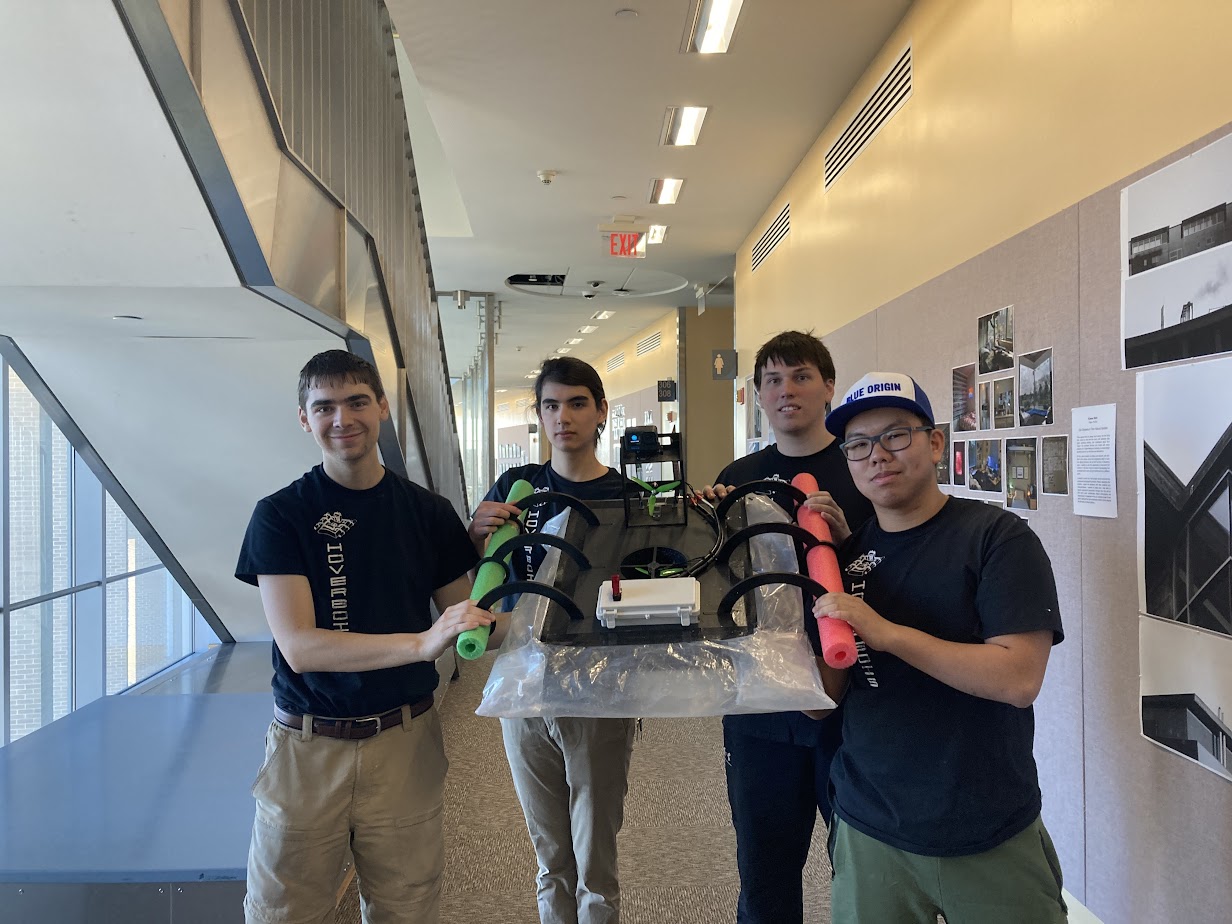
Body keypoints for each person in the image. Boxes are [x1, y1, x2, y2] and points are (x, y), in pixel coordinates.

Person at [235, 350, 498, 924]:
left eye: (357, 401)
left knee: (407, 910)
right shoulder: (279, 515)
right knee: (283, 913)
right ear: (304, 419)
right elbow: (301, 649)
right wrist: (421, 643)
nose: (342, 418)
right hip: (307, 749)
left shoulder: (429, 513)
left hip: (404, 742)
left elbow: (469, 622)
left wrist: (492, 559)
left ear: (382, 405)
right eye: (323, 406)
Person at [816, 371, 1067, 924]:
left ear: (934, 443)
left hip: (985, 823)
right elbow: (823, 699)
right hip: (870, 824)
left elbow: (1017, 679)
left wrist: (887, 633)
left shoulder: (998, 538)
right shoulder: (849, 558)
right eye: (858, 446)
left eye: (895, 435)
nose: (877, 455)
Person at [699, 331, 874, 924]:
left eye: (800, 376)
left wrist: (847, 537)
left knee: (862, 867)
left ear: (828, 385)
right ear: (757, 395)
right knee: (765, 870)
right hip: (760, 702)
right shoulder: (740, 475)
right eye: (772, 380)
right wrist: (710, 522)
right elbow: (717, 588)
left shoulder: (860, 466)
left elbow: (892, 572)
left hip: (851, 698)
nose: (786, 390)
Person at [468, 356, 637, 924]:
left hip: (599, 687)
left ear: (601, 413)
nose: (562, 416)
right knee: (549, 851)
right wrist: (474, 533)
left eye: (577, 403)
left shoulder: (628, 497)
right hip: (524, 682)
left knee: (595, 851)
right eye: (550, 405)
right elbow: (485, 579)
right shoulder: (517, 492)